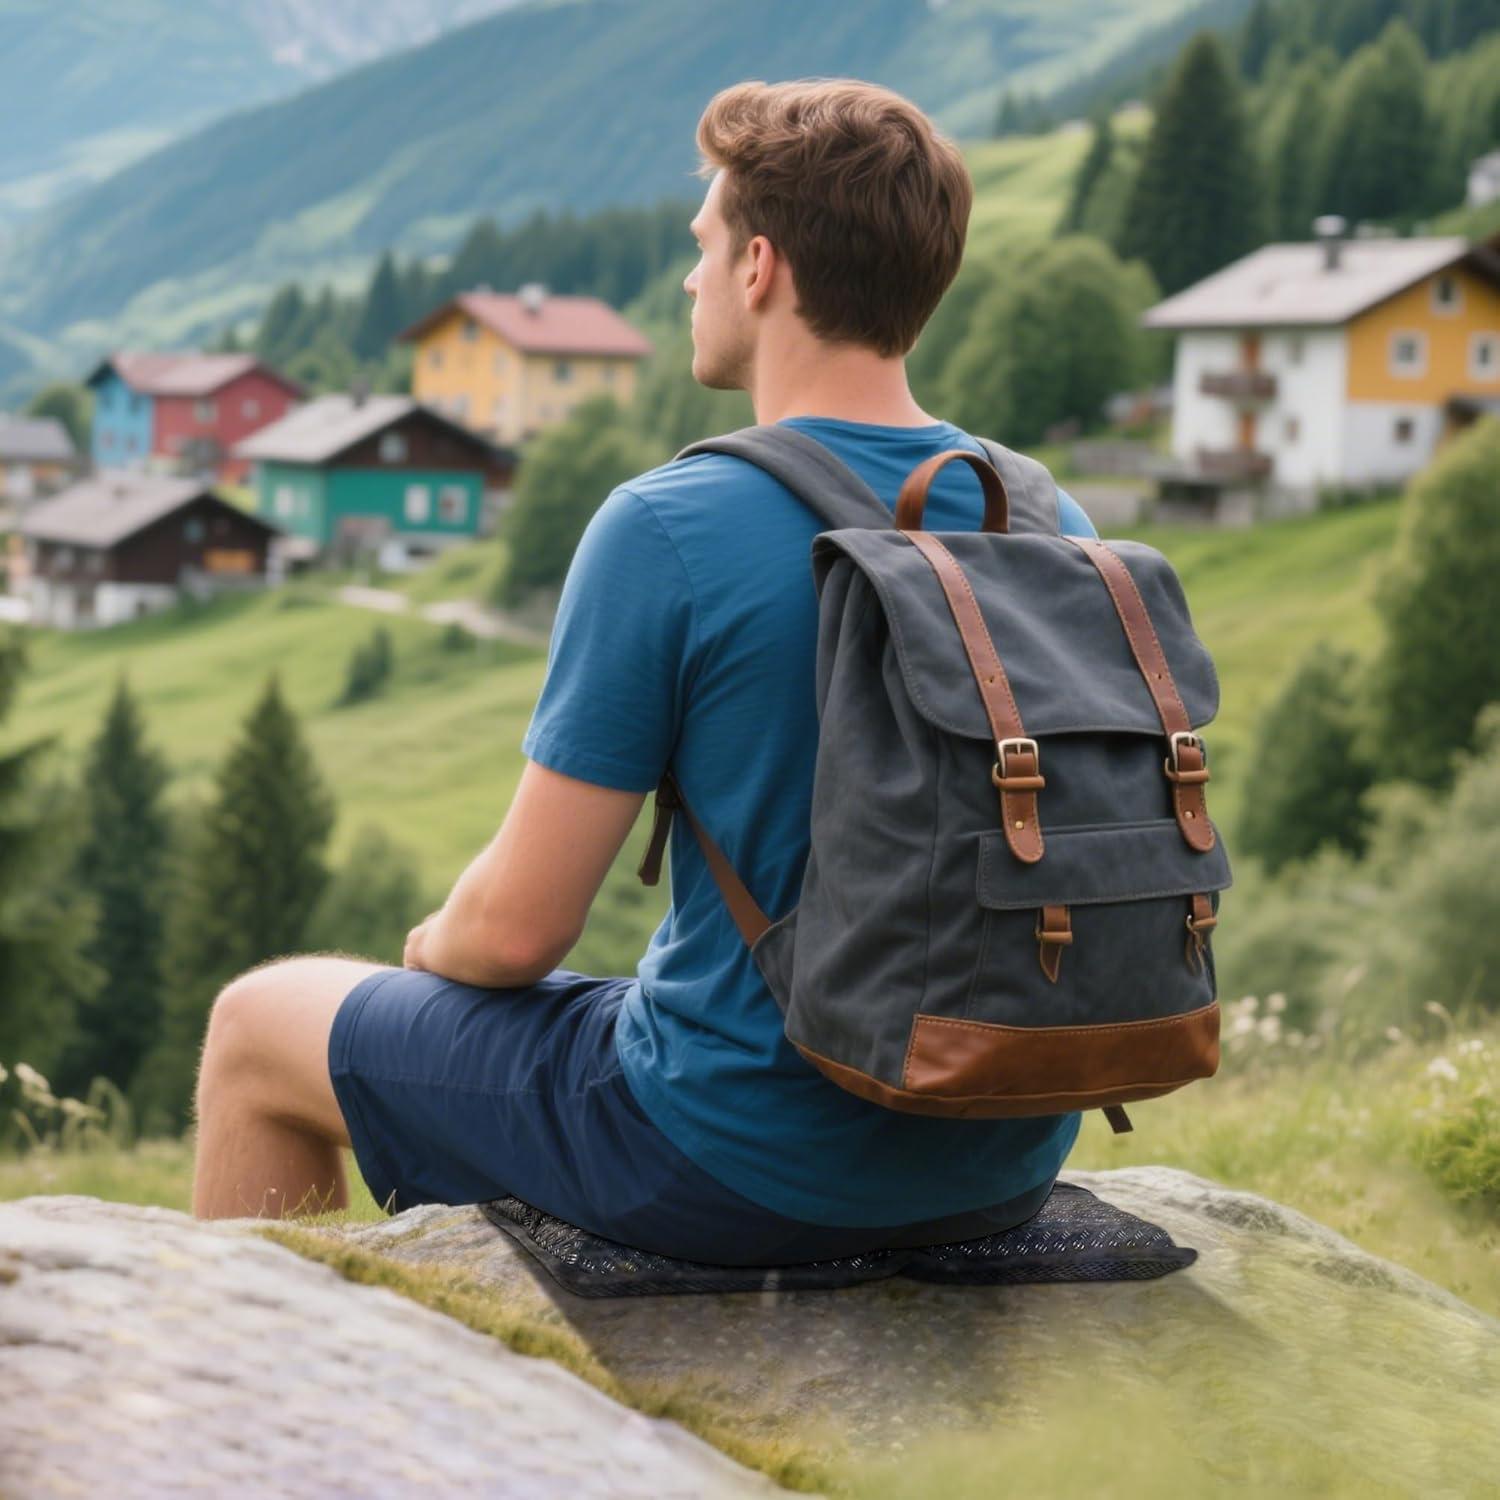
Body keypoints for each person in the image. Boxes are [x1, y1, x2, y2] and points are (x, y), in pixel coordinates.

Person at [190, 77, 1098, 1263]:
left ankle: (253, 1371)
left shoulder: (672, 524)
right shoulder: (1044, 515)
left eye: (703, 245)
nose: (689, 279)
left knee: (256, 1025)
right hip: (1000, 1143)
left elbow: (515, 935)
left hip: (736, 1153)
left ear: (760, 268)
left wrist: (429, 954)